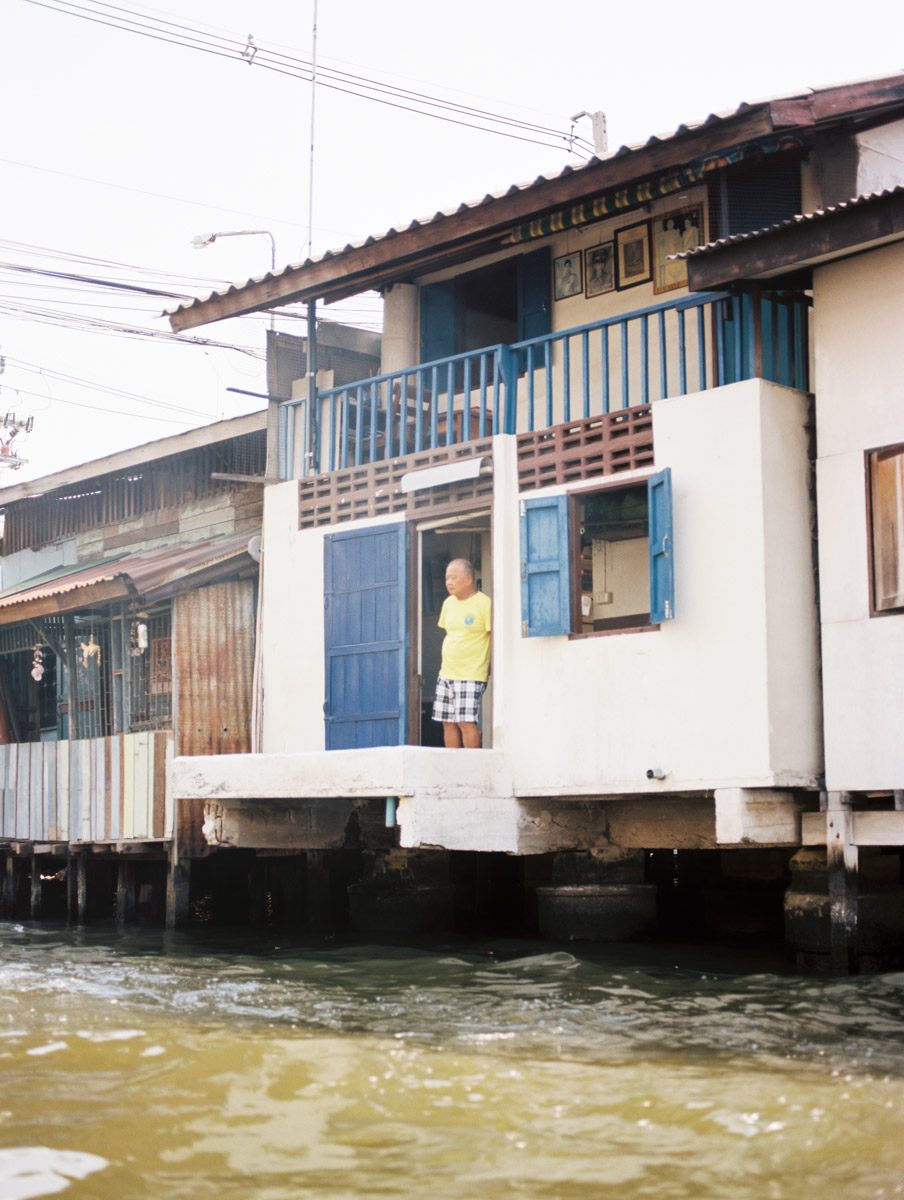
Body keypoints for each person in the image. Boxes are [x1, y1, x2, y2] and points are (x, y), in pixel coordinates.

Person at [432, 558, 491, 748]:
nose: (449, 582)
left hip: (471, 674)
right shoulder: (448, 603)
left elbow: (494, 637)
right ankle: (454, 771)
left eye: (453, 578)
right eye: (447, 578)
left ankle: (473, 772)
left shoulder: (484, 603)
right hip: (446, 673)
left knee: (466, 722)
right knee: (448, 723)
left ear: (468, 579)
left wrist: (491, 668)